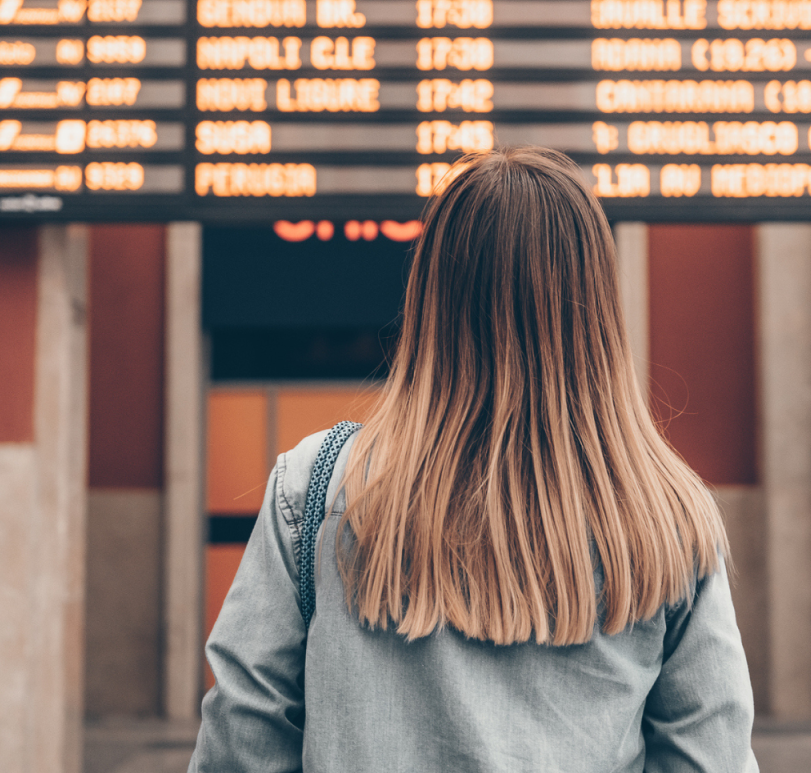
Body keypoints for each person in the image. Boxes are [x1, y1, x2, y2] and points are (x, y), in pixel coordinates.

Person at [189, 147, 758, 773]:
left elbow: (241, 740)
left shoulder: (316, 485)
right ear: (597, 303)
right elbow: (712, 756)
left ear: (430, 292)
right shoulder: (668, 517)